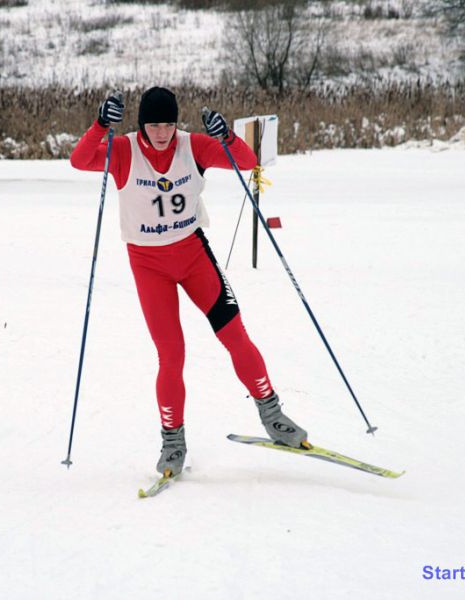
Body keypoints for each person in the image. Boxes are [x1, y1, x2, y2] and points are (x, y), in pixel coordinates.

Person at [70, 87, 308, 477]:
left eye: (168, 124)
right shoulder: (126, 151)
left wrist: (225, 136)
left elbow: (246, 162)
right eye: (153, 125)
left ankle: (273, 415)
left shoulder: (192, 146)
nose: (162, 133)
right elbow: (79, 161)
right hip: (149, 266)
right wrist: (100, 125)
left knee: (235, 335)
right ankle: (173, 443)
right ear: (141, 124)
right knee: (172, 355)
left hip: (194, 256)